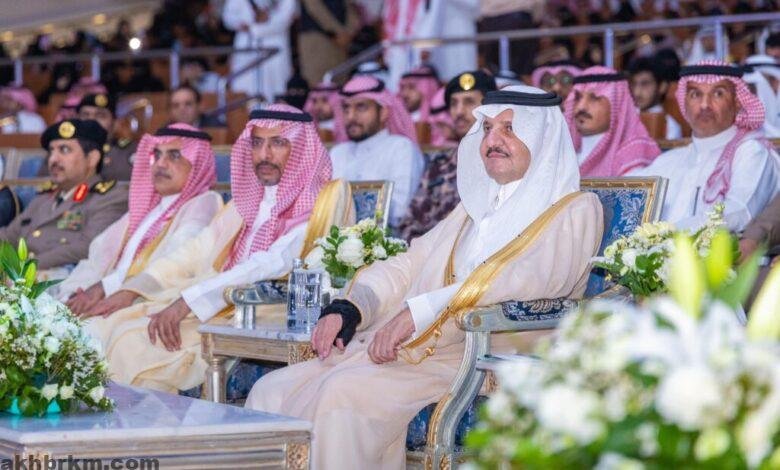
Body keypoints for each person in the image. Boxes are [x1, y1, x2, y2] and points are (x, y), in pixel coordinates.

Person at [244, 86, 604, 469]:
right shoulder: (474, 207)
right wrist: (350, 306)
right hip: (417, 351)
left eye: (509, 129)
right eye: (487, 129)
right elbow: (410, 262)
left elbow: (522, 282)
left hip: (481, 359)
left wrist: (420, 313)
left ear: (542, 137)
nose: (493, 141)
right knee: (270, 390)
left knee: (341, 395)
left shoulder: (574, 209)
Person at [81, 105, 339, 393]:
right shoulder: (243, 203)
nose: (264, 154)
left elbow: (270, 263)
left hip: (264, 312)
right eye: (256, 143)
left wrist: (189, 302)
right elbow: (191, 254)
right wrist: (132, 290)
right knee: (110, 327)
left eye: (278, 143)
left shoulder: (317, 206)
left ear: (301, 149)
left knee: (132, 344)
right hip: (213, 303)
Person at [61, 124, 221, 312]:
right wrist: (73, 294)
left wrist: (105, 287)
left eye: (174, 155)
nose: (160, 164)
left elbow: (174, 264)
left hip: (152, 305)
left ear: (198, 165)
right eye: (157, 155)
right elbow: (96, 258)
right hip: (108, 299)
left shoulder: (203, 203)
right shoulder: (147, 208)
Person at [634, 61, 780, 232]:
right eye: (695, 94)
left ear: (737, 102)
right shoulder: (669, 160)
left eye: (718, 94)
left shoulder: (751, 152)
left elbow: (739, 212)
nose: (704, 105)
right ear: (684, 103)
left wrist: (667, 235)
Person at [0, 119, 127, 270]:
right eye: (51, 151)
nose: (53, 159)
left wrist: (23, 269)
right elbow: (7, 237)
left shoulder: (111, 197)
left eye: (64, 150)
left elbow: (89, 247)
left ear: (92, 158)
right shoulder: (43, 198)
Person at [397, 70, 497, 241]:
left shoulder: (501, 160)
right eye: (454, 103)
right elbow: (410, 223)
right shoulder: (440, 164)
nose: (459, 111)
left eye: (469, 102)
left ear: (489, 109)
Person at [330, 75, 423, 228]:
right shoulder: (337, 153)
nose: (350, 117)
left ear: (384, 112)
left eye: (361, 107)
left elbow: (400, 212)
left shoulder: (400, 148)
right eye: (346, 108)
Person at [564, 66, 661, 177]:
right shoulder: (565, 151)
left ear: (617, 104)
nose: (581, 107)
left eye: (594, 98)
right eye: (577, 98)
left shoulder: (633, 153)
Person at [222, 0, 296, 101]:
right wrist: (244, 24)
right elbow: (228, 17)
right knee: (245, 89)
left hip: (275, 45)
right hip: (246, 45)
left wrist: (260, 25)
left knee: (275, 90)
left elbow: (285, 18)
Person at [298, 0, 361, 86]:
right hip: (318, 40)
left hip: (341, 42)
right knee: (320, 85)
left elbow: (351, 8)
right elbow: (314, 8)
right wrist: (338, 31)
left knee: (341, 82)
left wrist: (349, 31)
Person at [627, 56, 683, 140]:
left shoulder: (670, 127)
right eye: (634, 84)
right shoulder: (626, 118)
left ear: (662, 86)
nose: (637, 92)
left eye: (645, 84)